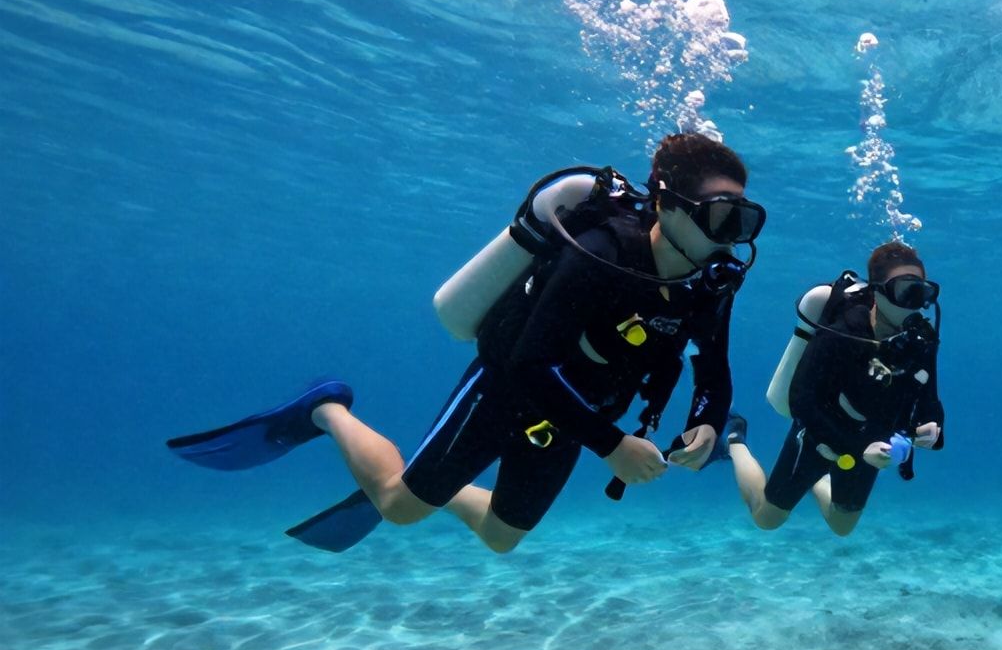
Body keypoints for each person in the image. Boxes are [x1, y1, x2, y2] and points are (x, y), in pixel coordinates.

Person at [167, 133, 765, 554]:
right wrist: (611, 445)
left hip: (578, 418)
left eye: (744, 221)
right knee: (400, 510)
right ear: (664, 202)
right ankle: (326, 410)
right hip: (508, 390)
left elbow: (713, 371)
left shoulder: (708, 283)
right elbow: (530, 360)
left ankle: (439, 487)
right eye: (721, 217)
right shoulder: (603, 253)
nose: (732, 239)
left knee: (503, 539)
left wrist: (707, 423)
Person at [724, 241, 944, 536]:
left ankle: (818, 478)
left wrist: (931, 427)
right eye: (904, 291)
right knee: (767, 519)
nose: (913, 304)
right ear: (877, 291)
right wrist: (859, 448)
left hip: (871, 442)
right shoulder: (844, 332)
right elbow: (803, 402)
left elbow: (929, 399)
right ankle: (735, 439)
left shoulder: (921, 342)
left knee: (842, 526)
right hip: (819, 434)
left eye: (920, 292)